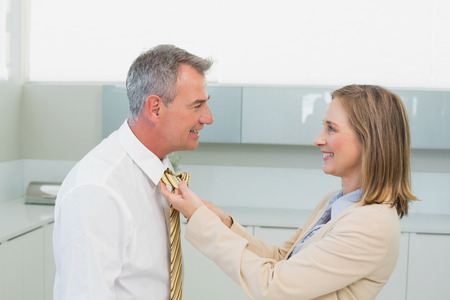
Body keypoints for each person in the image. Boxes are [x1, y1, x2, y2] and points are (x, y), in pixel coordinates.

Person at [162, 84, 418, 300]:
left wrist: (201, 220)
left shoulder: (371, 225)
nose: (319, 139)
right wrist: (223, 222)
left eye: (331, 128)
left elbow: (275, 285)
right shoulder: (335, 202)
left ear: (369, 141)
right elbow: (282, 258)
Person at [53, 44, 213, 299]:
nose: (208, 117)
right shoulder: (97, 191)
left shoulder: (160, 169)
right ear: (155, 108)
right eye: (197, 106)